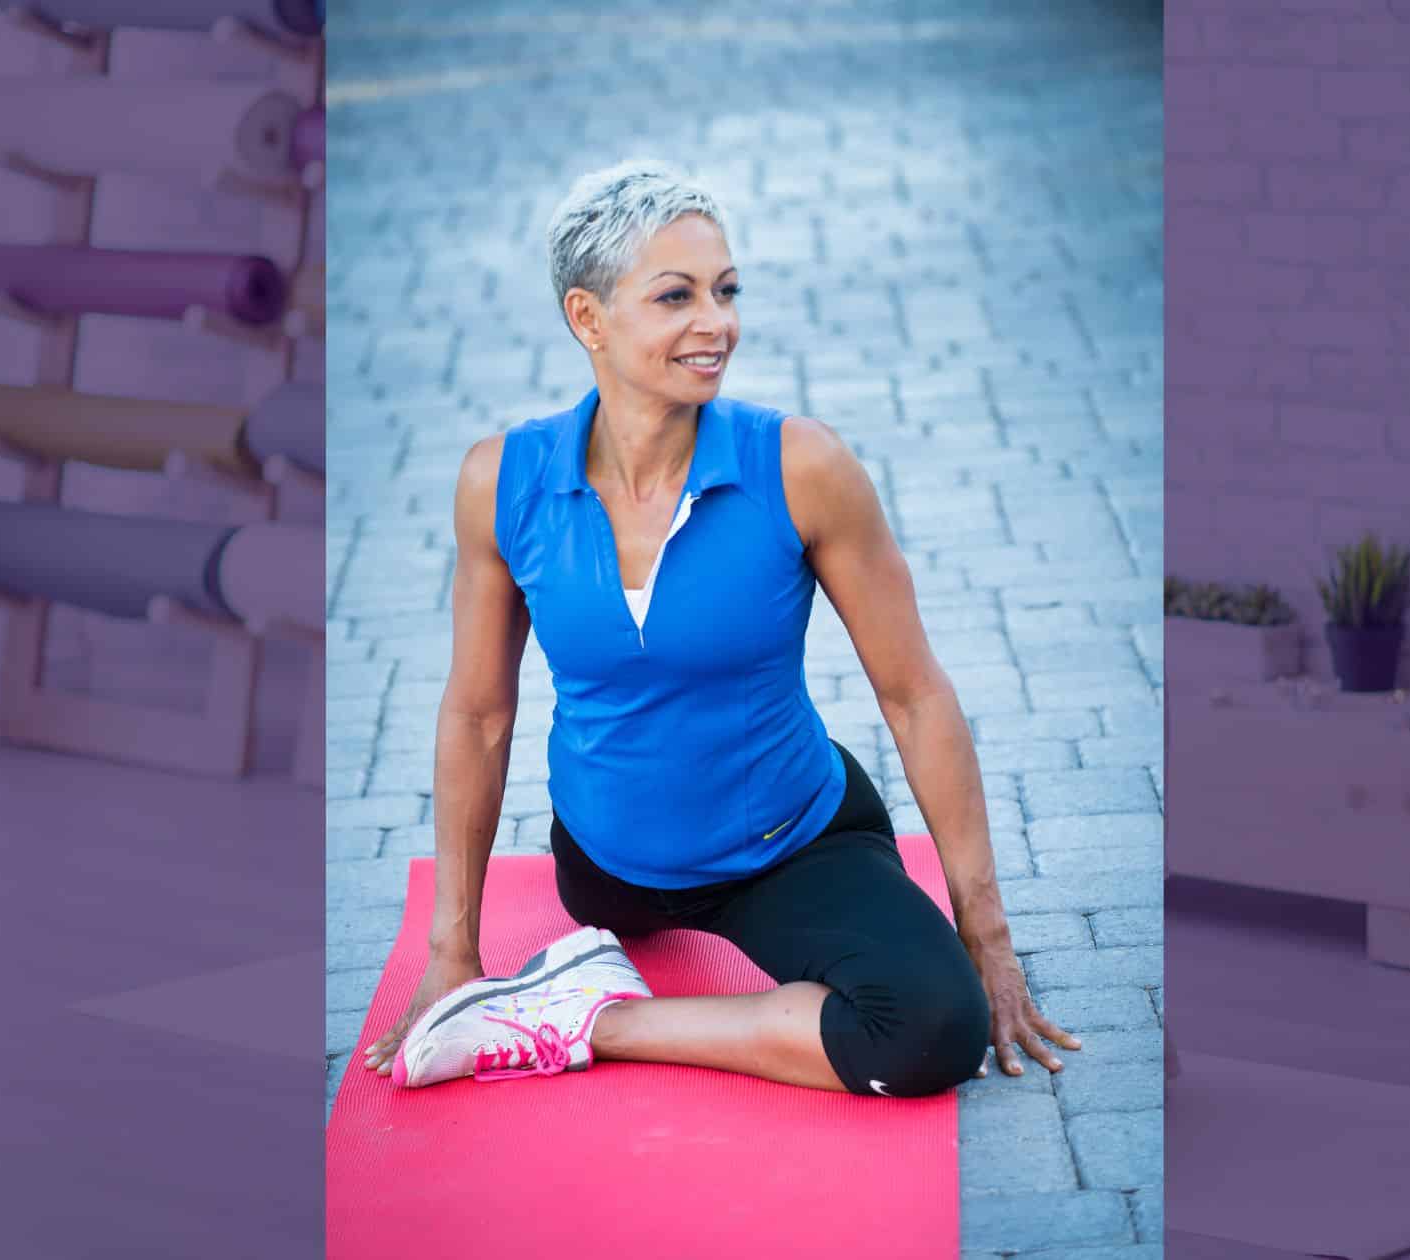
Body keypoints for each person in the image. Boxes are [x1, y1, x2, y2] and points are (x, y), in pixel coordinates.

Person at [363, 159, 1079, 1098]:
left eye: (726, 291)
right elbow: (477, 717)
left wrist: (986, 939)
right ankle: (582, 983)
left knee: (935, 1031)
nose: (719, 324)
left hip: (788, 845)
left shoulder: (800, 466)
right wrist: (451, 953)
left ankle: (587, 1017)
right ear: (588, 319)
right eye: (676, 297)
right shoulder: (503, 482)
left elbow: (913, 696)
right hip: (606, 868)